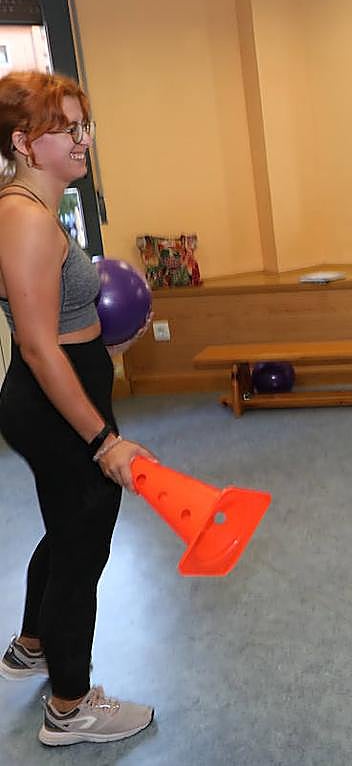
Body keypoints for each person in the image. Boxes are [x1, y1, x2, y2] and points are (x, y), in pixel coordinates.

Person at [0, 71, 156, 745]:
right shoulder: (26, 220)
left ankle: (31, 645)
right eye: (66, 127)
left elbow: (58, 320)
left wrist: (105, 342)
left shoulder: (33, 206)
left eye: (82, 124)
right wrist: (104, 440)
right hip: (58, 404)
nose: (82, 138)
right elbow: (38, 348)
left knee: (67, 529)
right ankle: (70, 706)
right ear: (25, 142)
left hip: (69, 389)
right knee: (83, 544)